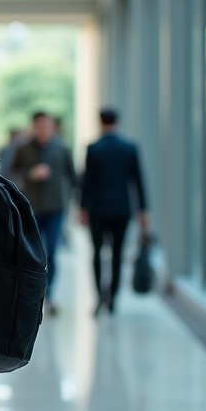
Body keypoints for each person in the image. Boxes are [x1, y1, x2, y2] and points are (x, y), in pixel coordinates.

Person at [78, 108, 149, 314]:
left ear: (101, 123)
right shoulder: (130, 148)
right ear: (117, 122)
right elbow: (138, 181)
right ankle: (113, 299)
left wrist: (82, 208)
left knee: (97, 253)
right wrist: (143, 210)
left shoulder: (94, 148)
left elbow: (87, 182)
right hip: (122, 209)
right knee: (117, 254)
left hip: (97, 209)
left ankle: (100, 297)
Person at [10, 112, 77, 314]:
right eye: (39, 125)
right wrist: (30, 174)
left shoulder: (62, 148)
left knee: (52, 250)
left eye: (46, 125)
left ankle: (50, 293)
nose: (43, 129)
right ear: (33, 126)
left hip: (56, 208)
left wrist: (73, 204)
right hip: (32, 209)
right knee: (34, 251)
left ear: (51, 127)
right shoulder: (23, 148)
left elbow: (71, 176)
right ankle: (33, 292)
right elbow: (12, 170)